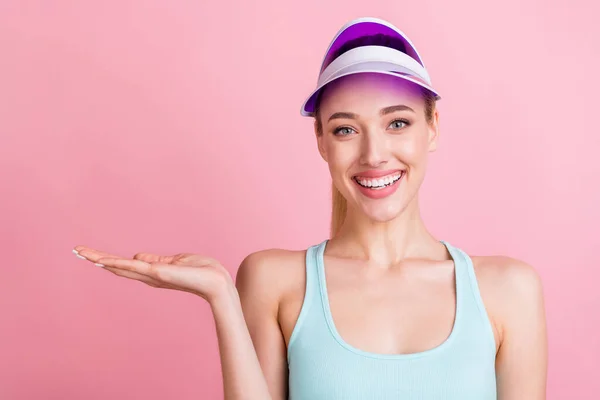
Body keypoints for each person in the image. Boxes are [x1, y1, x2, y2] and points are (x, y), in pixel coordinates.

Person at [73, 17, 547, 400]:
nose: (373, 154)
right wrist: (222, 297)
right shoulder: (273, 280)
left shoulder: (508, 291)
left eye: (397, 123)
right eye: (345, 129)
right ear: (320, 140)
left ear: (433, 128)